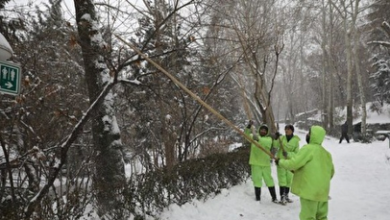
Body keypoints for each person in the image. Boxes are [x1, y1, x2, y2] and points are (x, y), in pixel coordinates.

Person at [275, 125, 334, 220]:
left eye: (309, 133)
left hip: (309, 192)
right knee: (322, 217)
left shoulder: (308, 149)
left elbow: (294, 163)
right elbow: (331, 173)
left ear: (313, 136)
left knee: (308, 217)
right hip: (323, 192)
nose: (307, 135)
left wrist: (280, 162)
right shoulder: (327, 154)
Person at [249, 124, 279, 203]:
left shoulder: (268, 139)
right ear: (259, 130)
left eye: (265, 130)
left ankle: (274, 197)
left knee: (269, 180)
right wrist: (248, 128)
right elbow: (246, 136)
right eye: (262, 130)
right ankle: (258, 198)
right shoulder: (254, 136)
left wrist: (257, 138)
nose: (263, 131)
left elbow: (265, 142)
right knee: (257, 180)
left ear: (267, 132)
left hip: (265, 163)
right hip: (255, 163)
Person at [273, 124, 300, 205]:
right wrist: (276, 138)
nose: (286, 131)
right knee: (282, 180)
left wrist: (288, 154)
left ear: (292, 130)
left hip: (290, 163)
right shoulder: (282, 138)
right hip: (281, 161)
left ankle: (286, 196)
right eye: (285, 129)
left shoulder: (296, 141)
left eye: (288, 129)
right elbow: (275, 145)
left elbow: (296, 154)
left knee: (289, 180)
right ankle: (282, 197)